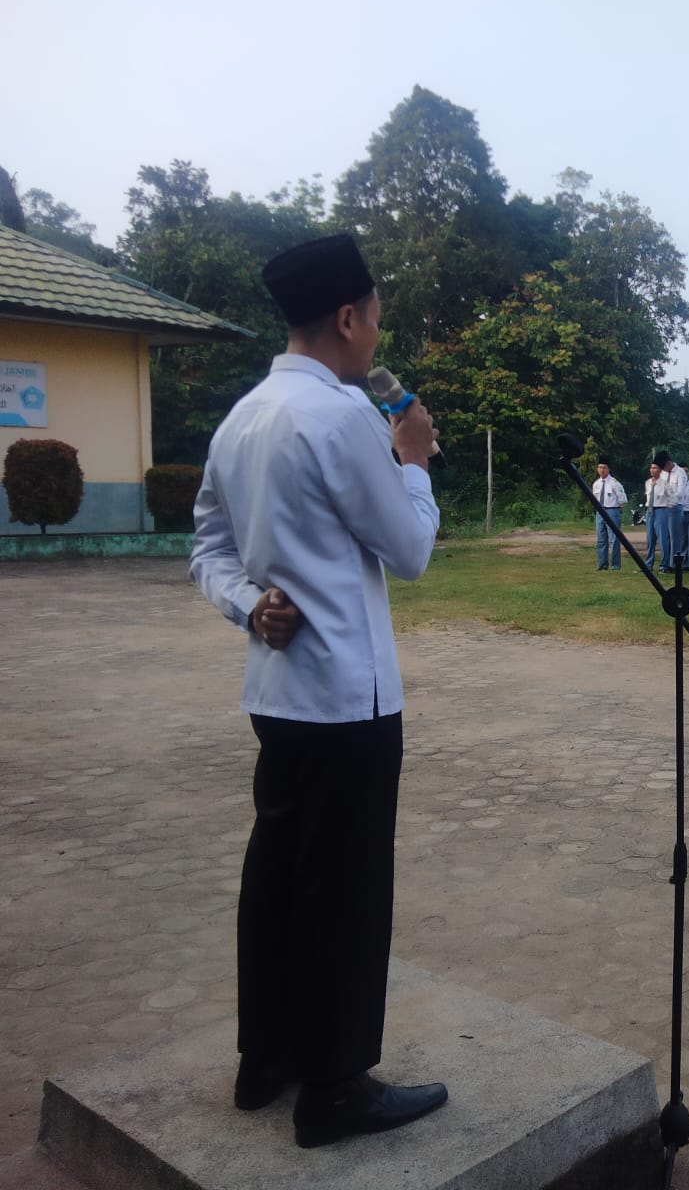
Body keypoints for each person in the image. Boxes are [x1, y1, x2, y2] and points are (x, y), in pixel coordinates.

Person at [190, 234, 448, 1148]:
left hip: (277, 694)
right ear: (347, 318)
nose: (377, 336)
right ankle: (336, 1087)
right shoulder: (340, 419)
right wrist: (413, 459)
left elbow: (209, 551)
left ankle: (267, 1059)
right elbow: (410, 550)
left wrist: (246, 605)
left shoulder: (241, 418)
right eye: (376, 318)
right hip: (349, 699)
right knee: (343, 891)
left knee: (277, 877)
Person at [592, 461, 626, 571]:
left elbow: (623, 499)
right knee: (601, 539)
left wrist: (617, 509)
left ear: (609, 469)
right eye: (600, 467)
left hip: (612, 511)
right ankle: (602, 564)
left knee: (614, 539)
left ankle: (615, 565)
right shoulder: (596, 484)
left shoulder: (614, 483)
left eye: (604, 468)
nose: (602, 470)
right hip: (600, 512)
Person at [641, 461, 661, 568]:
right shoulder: (648, 482)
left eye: (655, 468)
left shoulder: (664, 483)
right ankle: (648, 564)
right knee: (650, 539)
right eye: (651, 468)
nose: (652, 470)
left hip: (661, 510)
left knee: (662, 539)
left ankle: (664, 565)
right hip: (650, 510)